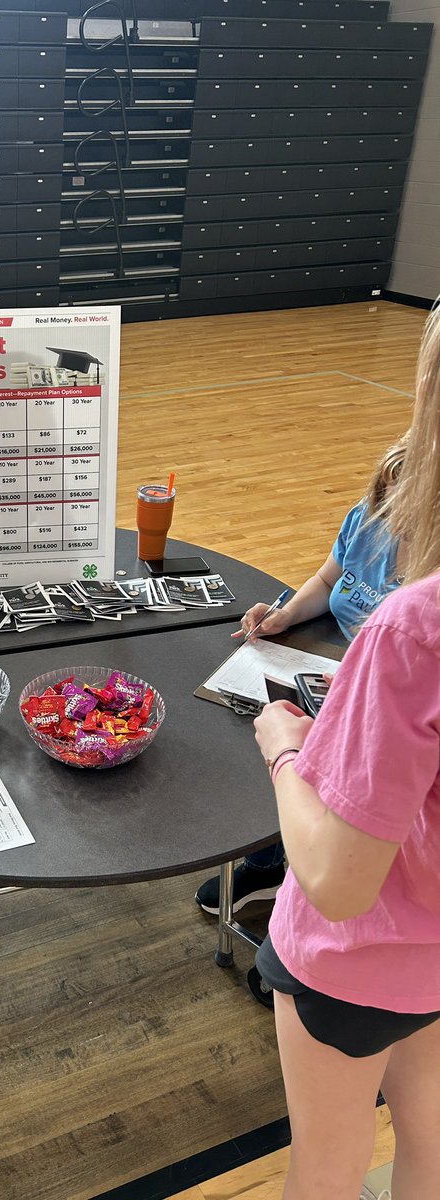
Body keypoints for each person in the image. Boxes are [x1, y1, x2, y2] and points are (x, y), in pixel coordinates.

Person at [252, 301, 440, 1200]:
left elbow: (339, 880)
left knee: (325, 1166)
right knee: (430, 1142)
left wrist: (286, 752)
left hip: (356, 957)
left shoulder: (416, 630)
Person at [194, 433, 407, 915]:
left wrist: (359, 686)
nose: (387, 518)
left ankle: (300, 878)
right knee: (252, 720)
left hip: (381, 686)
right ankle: (270, 859)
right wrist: (285, 615)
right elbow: (330, 579)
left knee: (311, 754)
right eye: (383, 503)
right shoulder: (368, 514)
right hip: (332, 656)